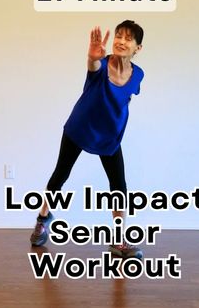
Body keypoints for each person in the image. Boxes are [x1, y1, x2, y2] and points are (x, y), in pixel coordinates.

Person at [30, 20, 145, 259]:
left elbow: (125, 100)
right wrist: (92, 57)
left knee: (119, 185)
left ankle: (118, 239)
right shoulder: (101, 64)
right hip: (80, 128)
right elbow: (93, 66)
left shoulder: (138, 75)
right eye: (119, 36)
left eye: (128, 38)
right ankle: (42, 219)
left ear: (138, 48)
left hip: (110, 135)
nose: (121, 41)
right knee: (60, 174)